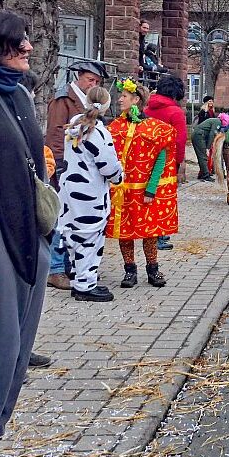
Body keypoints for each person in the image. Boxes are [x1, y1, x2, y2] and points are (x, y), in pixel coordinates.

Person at [0, 6, 50, 457]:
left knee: (16, 346)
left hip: (23, 235)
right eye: (15, 41)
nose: (27, 46)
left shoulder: (17, 95)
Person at [44, 60, 108, 290]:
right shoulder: (64, 100)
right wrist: (59, 166)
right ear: (79, 77)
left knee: (74, 221)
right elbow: (55, 135)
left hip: (80, 170)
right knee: (61, 220)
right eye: (90, 80)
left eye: (97, 82)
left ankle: (75, 268)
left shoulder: (86, 102)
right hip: (65, 169)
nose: (93, 85)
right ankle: (56, 269)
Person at [107, 80, 176, 289]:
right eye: (120, 96)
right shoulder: (115, 127)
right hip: (122, 191)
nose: (119, 99)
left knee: (149, 232)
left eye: (124, 96)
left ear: (136, 100)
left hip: (145, 191)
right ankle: (130, 270)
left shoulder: (155, 129)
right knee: (125, 231)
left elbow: (161, 160)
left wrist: (151, 188)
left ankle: (153, 268)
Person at [57, 86, 124, 301]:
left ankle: (78, 279)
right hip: (90, 196)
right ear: (106, 105)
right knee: (90, 240)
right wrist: (119, 177)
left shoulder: (74, 126)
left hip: (69, 193)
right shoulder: (99, 133)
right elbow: (109, 166)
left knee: (73, 236)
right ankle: (86, 285)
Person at [144, 75, 188, 251]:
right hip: (167, 160)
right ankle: (160, 236)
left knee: (148, 196)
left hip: (145, 160)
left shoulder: (147, 109)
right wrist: (178, 162)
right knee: (163, 199)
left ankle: (146, 230)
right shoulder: (175, 112)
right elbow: (180, 140)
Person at [191, 115, 221, 181]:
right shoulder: (218, 122)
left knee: (202, 156)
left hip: (198, 135)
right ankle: (205, 175)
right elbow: (212, 134)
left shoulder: (215, 120)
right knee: (203, 156)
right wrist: (208, 147)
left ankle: (204, 172)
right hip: (199, 136)